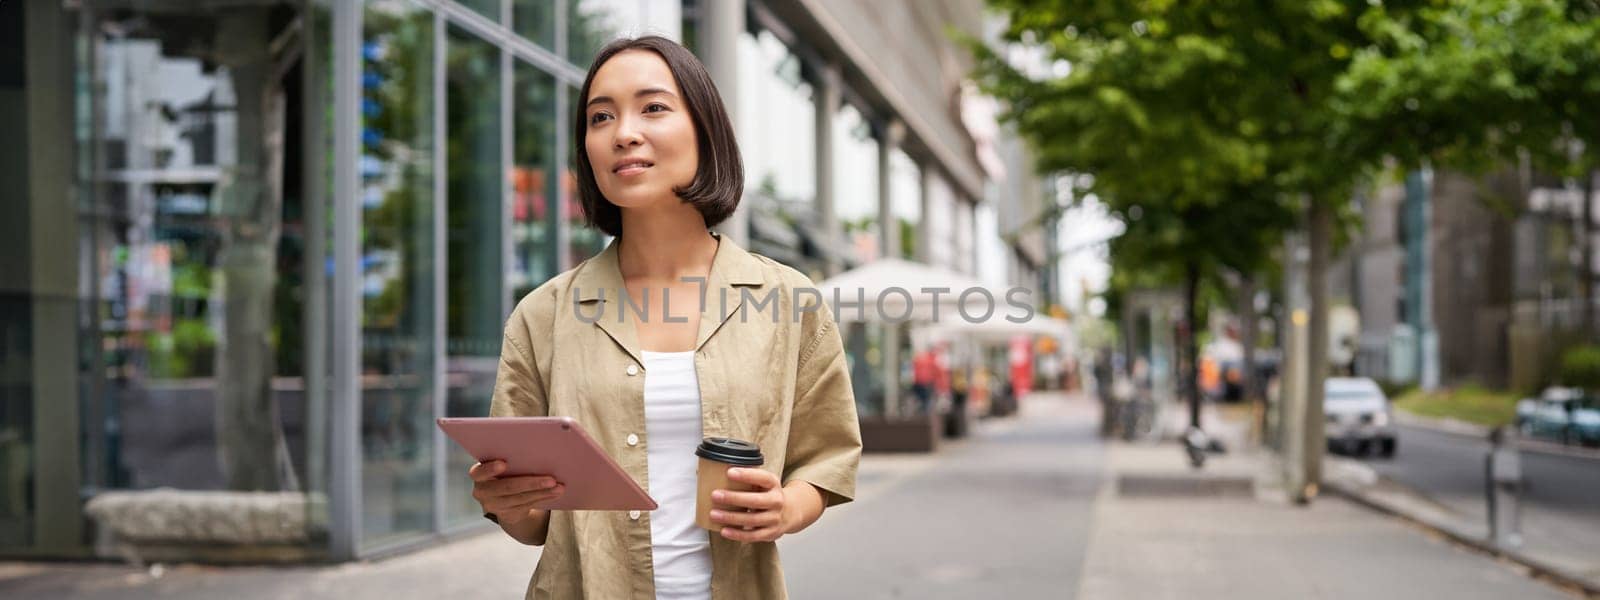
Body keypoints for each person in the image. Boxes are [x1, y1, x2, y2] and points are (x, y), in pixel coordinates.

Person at [467, 36, 862, 599]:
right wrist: (508, 503)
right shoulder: (543, 315)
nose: (623, 131)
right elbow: (532, 525)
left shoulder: (788, 300)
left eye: (652, 107)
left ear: (704, 129)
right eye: (600, 116)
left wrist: (785, 508)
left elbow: (826, 457)